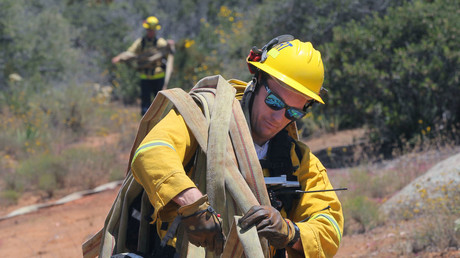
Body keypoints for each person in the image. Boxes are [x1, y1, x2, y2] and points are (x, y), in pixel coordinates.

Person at [89, 35, 343, 258]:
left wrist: (291, 232)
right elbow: (152, 151)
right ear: (256, 79)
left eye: (293, 113)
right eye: (274, 101)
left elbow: (328, 225)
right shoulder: (201, 119)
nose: (279, 118)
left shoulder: (298, 160)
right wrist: (192, 205)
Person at [112, 16, 175, 116]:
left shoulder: (160, 43)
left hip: (159, 78)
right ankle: (145, 127)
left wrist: (170, 45)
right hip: (145, 78)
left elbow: (169, 54)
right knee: (145, 106)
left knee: (159, 106)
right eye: (149, 29)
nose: (150, 32)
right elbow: (130, 53)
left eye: (152, 30)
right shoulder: (141, 43)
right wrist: (120, 57)